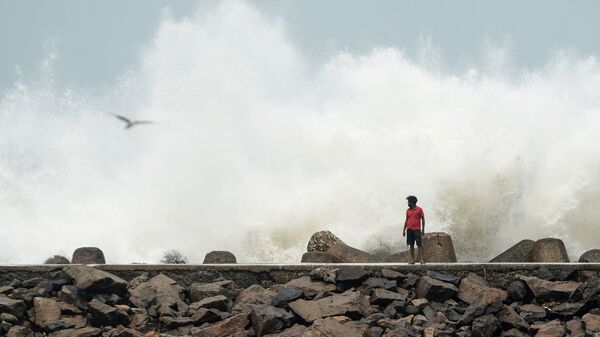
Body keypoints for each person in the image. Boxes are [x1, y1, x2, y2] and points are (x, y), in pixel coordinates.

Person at [402, 195, 425, 264]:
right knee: (411, 245)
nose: (407, 203)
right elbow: (406, 220)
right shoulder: (408, 210)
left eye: (408, 202)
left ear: (411, 202)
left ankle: (421, 259)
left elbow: (423, 219)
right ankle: (413, 260)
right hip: (409, 230)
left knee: (419, 245)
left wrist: (423, 230)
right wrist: (403, 230)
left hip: (417, 230)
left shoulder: (419, 209)